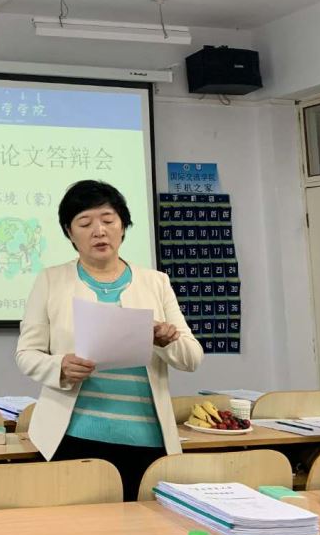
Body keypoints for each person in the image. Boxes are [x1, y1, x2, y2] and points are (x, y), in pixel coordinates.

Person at [15, 180, 203, 500]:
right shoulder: (51, 280)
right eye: (85, 223)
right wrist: (60, 366)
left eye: (108, 220)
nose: (99, 231)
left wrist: (165, 341)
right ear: (69, 232)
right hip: (73, 435)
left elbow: (192, 358)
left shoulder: (156, 282)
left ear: (123, 226)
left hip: (147, 438)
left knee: (144, 524)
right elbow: (26, 353)